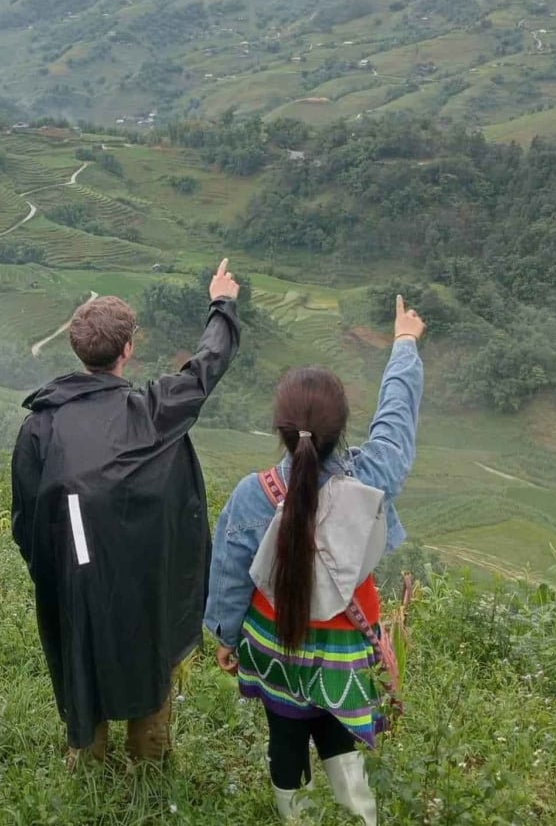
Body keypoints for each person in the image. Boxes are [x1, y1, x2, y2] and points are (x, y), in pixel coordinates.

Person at [204, 296, 426, 825]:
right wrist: (404, 343)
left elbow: (230, 576)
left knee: (285, 742)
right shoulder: (371, 478)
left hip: (275, 644)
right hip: (346, 645)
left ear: (280, 429)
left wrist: (227, 638)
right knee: (339, 735)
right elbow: (396, 424)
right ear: (342, 427)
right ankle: (362, 816)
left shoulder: (253, 494)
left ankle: (296, 817)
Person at [11, 260, 242, 760]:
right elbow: (205, 369)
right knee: (150, 655)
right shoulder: (152, 412)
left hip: (77, 579)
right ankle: (150, 762)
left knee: (81, 655)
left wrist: (56, 570)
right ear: (128, 351)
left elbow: (24, 520)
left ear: (78, 349)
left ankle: (87, 758)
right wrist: (222, 303)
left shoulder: (42, 427)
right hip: (145, 577)